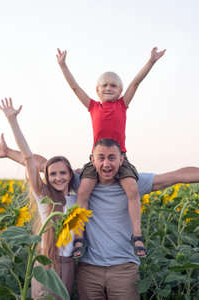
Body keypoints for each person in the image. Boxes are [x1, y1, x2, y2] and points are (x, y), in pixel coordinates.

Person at [0, 136, 199, 299]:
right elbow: (45, 164)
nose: (106, 163)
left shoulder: (134, 182)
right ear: (92, 159)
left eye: (112, 158)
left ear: (121, 158)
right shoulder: (79, 181)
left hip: (123, 269)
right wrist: (8, 153)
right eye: (100, 158)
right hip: (88, 268)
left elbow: (178, 175)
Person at [56, 47, 166, 256]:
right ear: (97, 90)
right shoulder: (92, 106)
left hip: (119, 159)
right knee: (83, 192)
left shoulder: (122, 105)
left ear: (119, 90)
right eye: (104, 85)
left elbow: (136, 82)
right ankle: (79, 237)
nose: (109, 88)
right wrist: (63, 66)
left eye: (113, 85)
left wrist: (150, 62)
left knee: (132, 190)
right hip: (97, 160)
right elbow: (74, 87)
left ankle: (137, 236)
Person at [0, 98, 77, 299]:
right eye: (53, 174)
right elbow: (29, 158)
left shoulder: (78, 200)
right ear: (46, 177)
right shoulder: (44, 197)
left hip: (68, 263)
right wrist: (13, 121)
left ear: (70, 175)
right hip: (46, 262)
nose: (58, 178)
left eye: (63, 173)